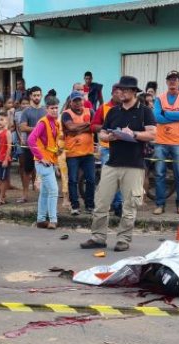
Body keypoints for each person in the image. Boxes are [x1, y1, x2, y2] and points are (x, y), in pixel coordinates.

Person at [80, 76, 155, 252]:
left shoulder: (144, 111)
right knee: (101, 201)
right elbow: (102, 133)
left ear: (134, 92)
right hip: (112, 163)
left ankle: (123, 239)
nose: (120, 93)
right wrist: (110, 136)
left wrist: (134, 134)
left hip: (134, 165)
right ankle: (98, 237)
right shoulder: (113, 111)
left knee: (129, 205)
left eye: (125, 90)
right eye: (119, 90)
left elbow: (153, 135)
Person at [152, 70, 179, 214]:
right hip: (161, 140)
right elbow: (157, 117)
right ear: (166, 82)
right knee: (159, 173)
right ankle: (160, 204)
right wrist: (176, 116)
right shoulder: (159, 99)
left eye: (175, 79)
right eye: (170, 79)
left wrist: (166, 113)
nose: (173, 82)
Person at [28, 95, 61, 229]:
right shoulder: (43, 122)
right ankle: (53, 220)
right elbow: (31, 140)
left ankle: (41, 220)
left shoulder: (56, 122)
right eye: (52, 108)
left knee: (45, 192)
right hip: (43, 163)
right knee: (54, 191)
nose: (54, 110)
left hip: (51, 162)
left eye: (56, 108)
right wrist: (41, 157)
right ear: (46, 109)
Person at [91, 84, 124, 216]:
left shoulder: (125, 108)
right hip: (107, 148)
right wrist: (105, 128)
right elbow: (93, 126)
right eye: (118, 92)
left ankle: (118, 205)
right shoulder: (103, 108)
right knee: (108, 178)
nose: (120, 95)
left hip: (123, 148)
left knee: (121, 178)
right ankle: (111, 204)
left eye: (122, 92)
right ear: (112, 93)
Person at [61, 92, 96, 215]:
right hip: (72, 153)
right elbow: (70, 127)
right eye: (75, 101)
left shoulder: (90, 111)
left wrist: (78, 129)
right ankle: (75, 206)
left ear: (83, 100)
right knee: (73, 180)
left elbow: (95, 127)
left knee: (91, 180)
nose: (77, 103)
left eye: (79, 100)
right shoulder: (66, 114)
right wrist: (87, 125)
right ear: (70, 102)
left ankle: (90, 205)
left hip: (88, 152)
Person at [19, 87, 46, 204]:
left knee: (44, 170)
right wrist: (37, 129)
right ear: (30, 96)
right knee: (27, 170)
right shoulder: (26, 111)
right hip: (30, 145)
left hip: (44, 146)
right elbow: (22, 127)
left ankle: (43, 194)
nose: (37, 97)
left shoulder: (45, 111)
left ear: (41, 95)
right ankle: (25, 194)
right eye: (34, 95)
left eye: (38, 95)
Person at [0, 112, 12, 205]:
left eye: (2, 119)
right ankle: (2, 195)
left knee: (3, 179)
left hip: (4, 159)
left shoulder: (7, 132)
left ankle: (1, 198)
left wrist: (6, 159)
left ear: (7, 121)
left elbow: (9, 146)